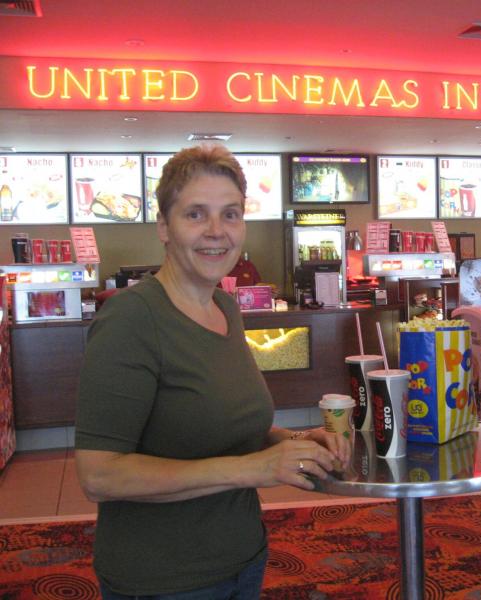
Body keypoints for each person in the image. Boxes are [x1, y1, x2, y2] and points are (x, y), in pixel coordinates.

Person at [74, 144, 350, 599]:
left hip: (243, 557)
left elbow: (221, 425)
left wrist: (295, 441)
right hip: (164, 579)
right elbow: (99, 475)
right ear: (164, 226)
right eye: (195, 214)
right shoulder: (131, 318)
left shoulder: (224, 307)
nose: (216, 231)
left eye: (231, 214)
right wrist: (252, 469)